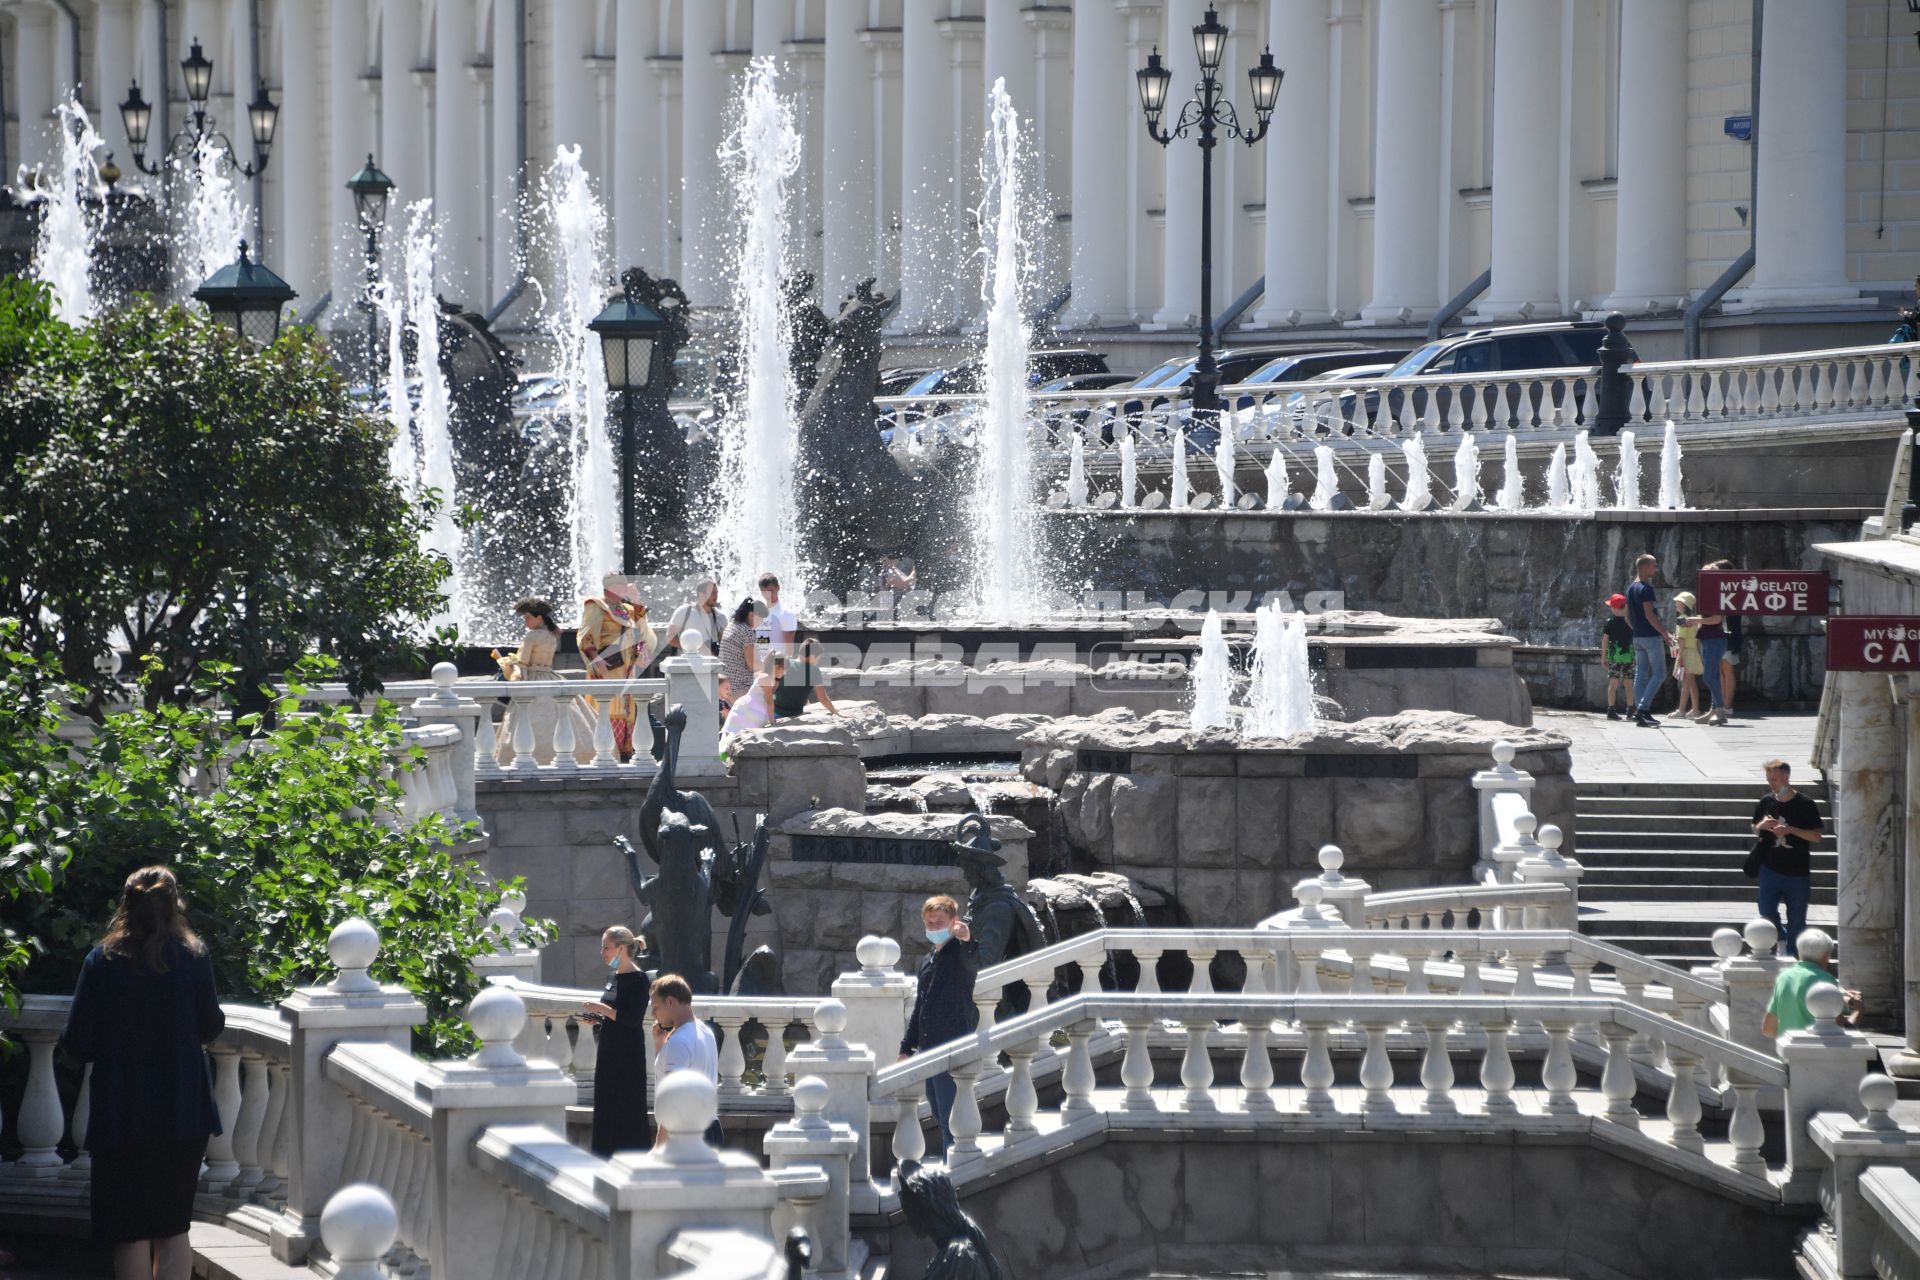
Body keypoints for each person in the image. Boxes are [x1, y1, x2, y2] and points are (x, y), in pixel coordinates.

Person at [60, 866, 224, 1280]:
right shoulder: (193, 957)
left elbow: (77, 1040)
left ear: (126, 905)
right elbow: (210, 1025)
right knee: (172, 1228)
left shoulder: (102, 961)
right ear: (175, 905)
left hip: (122, 1111)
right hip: (182, 1109)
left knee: (128, 1231)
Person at [898, 896, 976, 1159]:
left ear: (954, 922)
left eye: (939, 922)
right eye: (929, 923)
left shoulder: (960, 954)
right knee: (939, 1116)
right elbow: (922, 1007)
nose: (933, 927)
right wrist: (906, 1046)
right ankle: (949, 1168)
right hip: (929, 1048)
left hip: (952, 1048)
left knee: (950, 1116)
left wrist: (966, 938)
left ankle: (957, 1174)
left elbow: (973, 956)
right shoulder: (928, 959)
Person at [580, 927, 653, 1155]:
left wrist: (602, 1009)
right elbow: (615, 1014)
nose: (602, 952)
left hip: (628, 1054)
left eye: (606, 947)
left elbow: (632, 1019)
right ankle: (603, 1155)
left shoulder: (640, 979)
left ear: (621, 948)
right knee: (606, 1104)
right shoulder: (613, 976)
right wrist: (599, 1018)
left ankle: (632, 1156)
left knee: (628, 1105)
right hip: (608, 1049)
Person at [494, 598, 592, 766]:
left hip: (532, 678)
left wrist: (506, 663)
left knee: (523, 717)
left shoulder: (531, 636)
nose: (525, 621)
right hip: (549, 677)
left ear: (539, 618)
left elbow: (523, 662)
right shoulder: (552, 635)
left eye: (528, 617)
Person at [579, 573, 657, 762]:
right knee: (608, 707)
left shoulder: (629, 609)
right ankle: (604, 753)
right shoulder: (596, 605)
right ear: (610, 587)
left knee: (626, 710)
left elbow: (645, 633)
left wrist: (637, 601)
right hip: (607, 667)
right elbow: (585, 635)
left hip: (627, 669)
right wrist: (595, 657)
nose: (626, 588)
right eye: (622, 585)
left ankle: (623, 754)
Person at [1752, 759, 1824, 955]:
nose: (1771, 783)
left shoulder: (1805, 804)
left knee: (1797, 919)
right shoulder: (1766, 802)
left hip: (1797, 872)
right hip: (1770, 868)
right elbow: (1755, 828)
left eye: (1774, 779)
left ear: (1786, 777)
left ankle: (1792, 955)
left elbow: (1816, 836)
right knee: (1766, 911)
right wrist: (1761, 827)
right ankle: (1781, 938)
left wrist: (1790, 829)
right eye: (1768, 779)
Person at [649, 973, 723, 1147]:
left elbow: (674, 1097)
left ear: (670, 1002)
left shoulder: (679, 1041)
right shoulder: (705, 1031)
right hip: (710, 1127)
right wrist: (661, 1043)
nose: (653, 1014)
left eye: (655, 1007)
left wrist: (659, 1144)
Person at [1762, 928, 1841, 1038]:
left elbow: (1768, 1030)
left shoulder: (1784, 977)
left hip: (1787, 1052)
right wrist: (1858, 1011)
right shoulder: (1827, 980)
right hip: (1818, 1050)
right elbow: (1837, 1028)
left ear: (1799, 952)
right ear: (1826, 956)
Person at [1625, 552, 1673, 727]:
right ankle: (1643, 709)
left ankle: (1639, 710)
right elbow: (1650, 615)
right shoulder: (1646, 588)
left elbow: (1627, 618)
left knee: (1641, 674)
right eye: (1653, 565)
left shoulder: (1631, 588)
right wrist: (1665, 634)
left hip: (1637, 637)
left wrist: (1637, 631)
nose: (1656, 569)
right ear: (1644, 567)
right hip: (1651, 637)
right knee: (1660, 674)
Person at [1684, 567, 1732, 725]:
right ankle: (1714, 710)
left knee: (1709, 675)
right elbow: (1709, 618)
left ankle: (1720, 711)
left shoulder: (1717, 594)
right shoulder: (1710, 595)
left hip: (1715, 639)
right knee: (1714, 675)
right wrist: (1694, 620)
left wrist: (1696, 621)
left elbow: (1716, 619)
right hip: (1709, 639)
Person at [772, 639, 840, 720]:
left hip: (774, 713)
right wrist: (835, 712)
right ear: (813, 656)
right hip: (794, 714)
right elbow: (823, 698)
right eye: (818, 658)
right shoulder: (814, 671)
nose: (817, 661)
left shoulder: (785, 663)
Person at [1706, 559, 1741, 713]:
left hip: (1729, 635)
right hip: (1720, 634)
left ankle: (1727, 706)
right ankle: (1719, 704)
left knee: (1727, 669)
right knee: (1720, 670)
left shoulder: (1732, 591)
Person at [664, 579, 726, 658]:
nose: (716, 596)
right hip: (686, 665)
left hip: (712, 666)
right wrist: (692, 648)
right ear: (701, 594)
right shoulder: (684, 611)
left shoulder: (720, 616)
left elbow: (725, 643)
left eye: (717, 593)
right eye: (712, 593)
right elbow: (670, 638)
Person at [1667, 591, 1705, 720]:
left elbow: (1682, 640)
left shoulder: (1681, 620)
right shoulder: (1693, 619)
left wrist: (1679, 657)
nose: (1676, 604)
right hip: (1693, 651)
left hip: (1686, 652)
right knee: (1691, 682)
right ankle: (1695, 709)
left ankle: (1681, 710)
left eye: (1678, 602)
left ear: (1683, 605)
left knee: (1686, 683)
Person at [717, 597, 760, 703]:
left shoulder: (732, 625)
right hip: (739, 688)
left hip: (725, 683)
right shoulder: (746, 631)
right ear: (751, 615)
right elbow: (752, 664)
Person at [1600, 593, 1634, 720]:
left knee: (1613, 683)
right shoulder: (1630, 621)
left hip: (1614, 657)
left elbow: (1605, 640)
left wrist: (1603, 657)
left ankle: (1611, 710)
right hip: (1628, 656)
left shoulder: (1610, 622)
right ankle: (1630, 709)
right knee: (1628, 683)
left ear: (1614, 608)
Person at [756, 572, 798, 656]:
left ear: (778, 588)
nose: (768, 595)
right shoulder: (758, 612)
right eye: (764, 591)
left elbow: (789, 646)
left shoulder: (787, 613)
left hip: (778, 664)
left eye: (770, 590)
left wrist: (787, 667)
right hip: (761, 663)